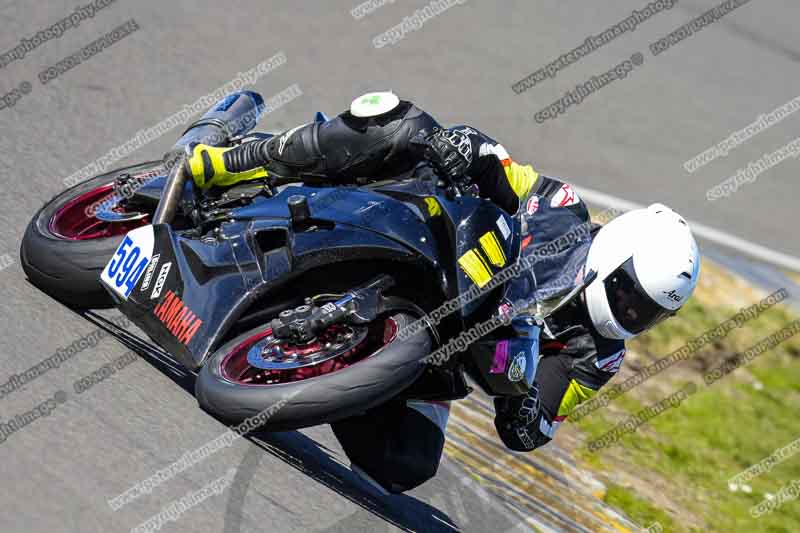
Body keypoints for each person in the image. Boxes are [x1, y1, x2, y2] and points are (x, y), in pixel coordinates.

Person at [184, 91, 700, 493]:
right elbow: (498, 164)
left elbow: (541, 419)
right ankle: (236, 158)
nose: (632, 313)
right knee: (399, 122)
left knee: (407, 462)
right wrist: (467, 148)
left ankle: (311, 366)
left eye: (648, 314)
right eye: (631, 294)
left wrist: (527, 418)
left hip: (438, 350)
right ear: (615, 254)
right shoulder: (560, 210)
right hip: (420, 229)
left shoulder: (599, 356)